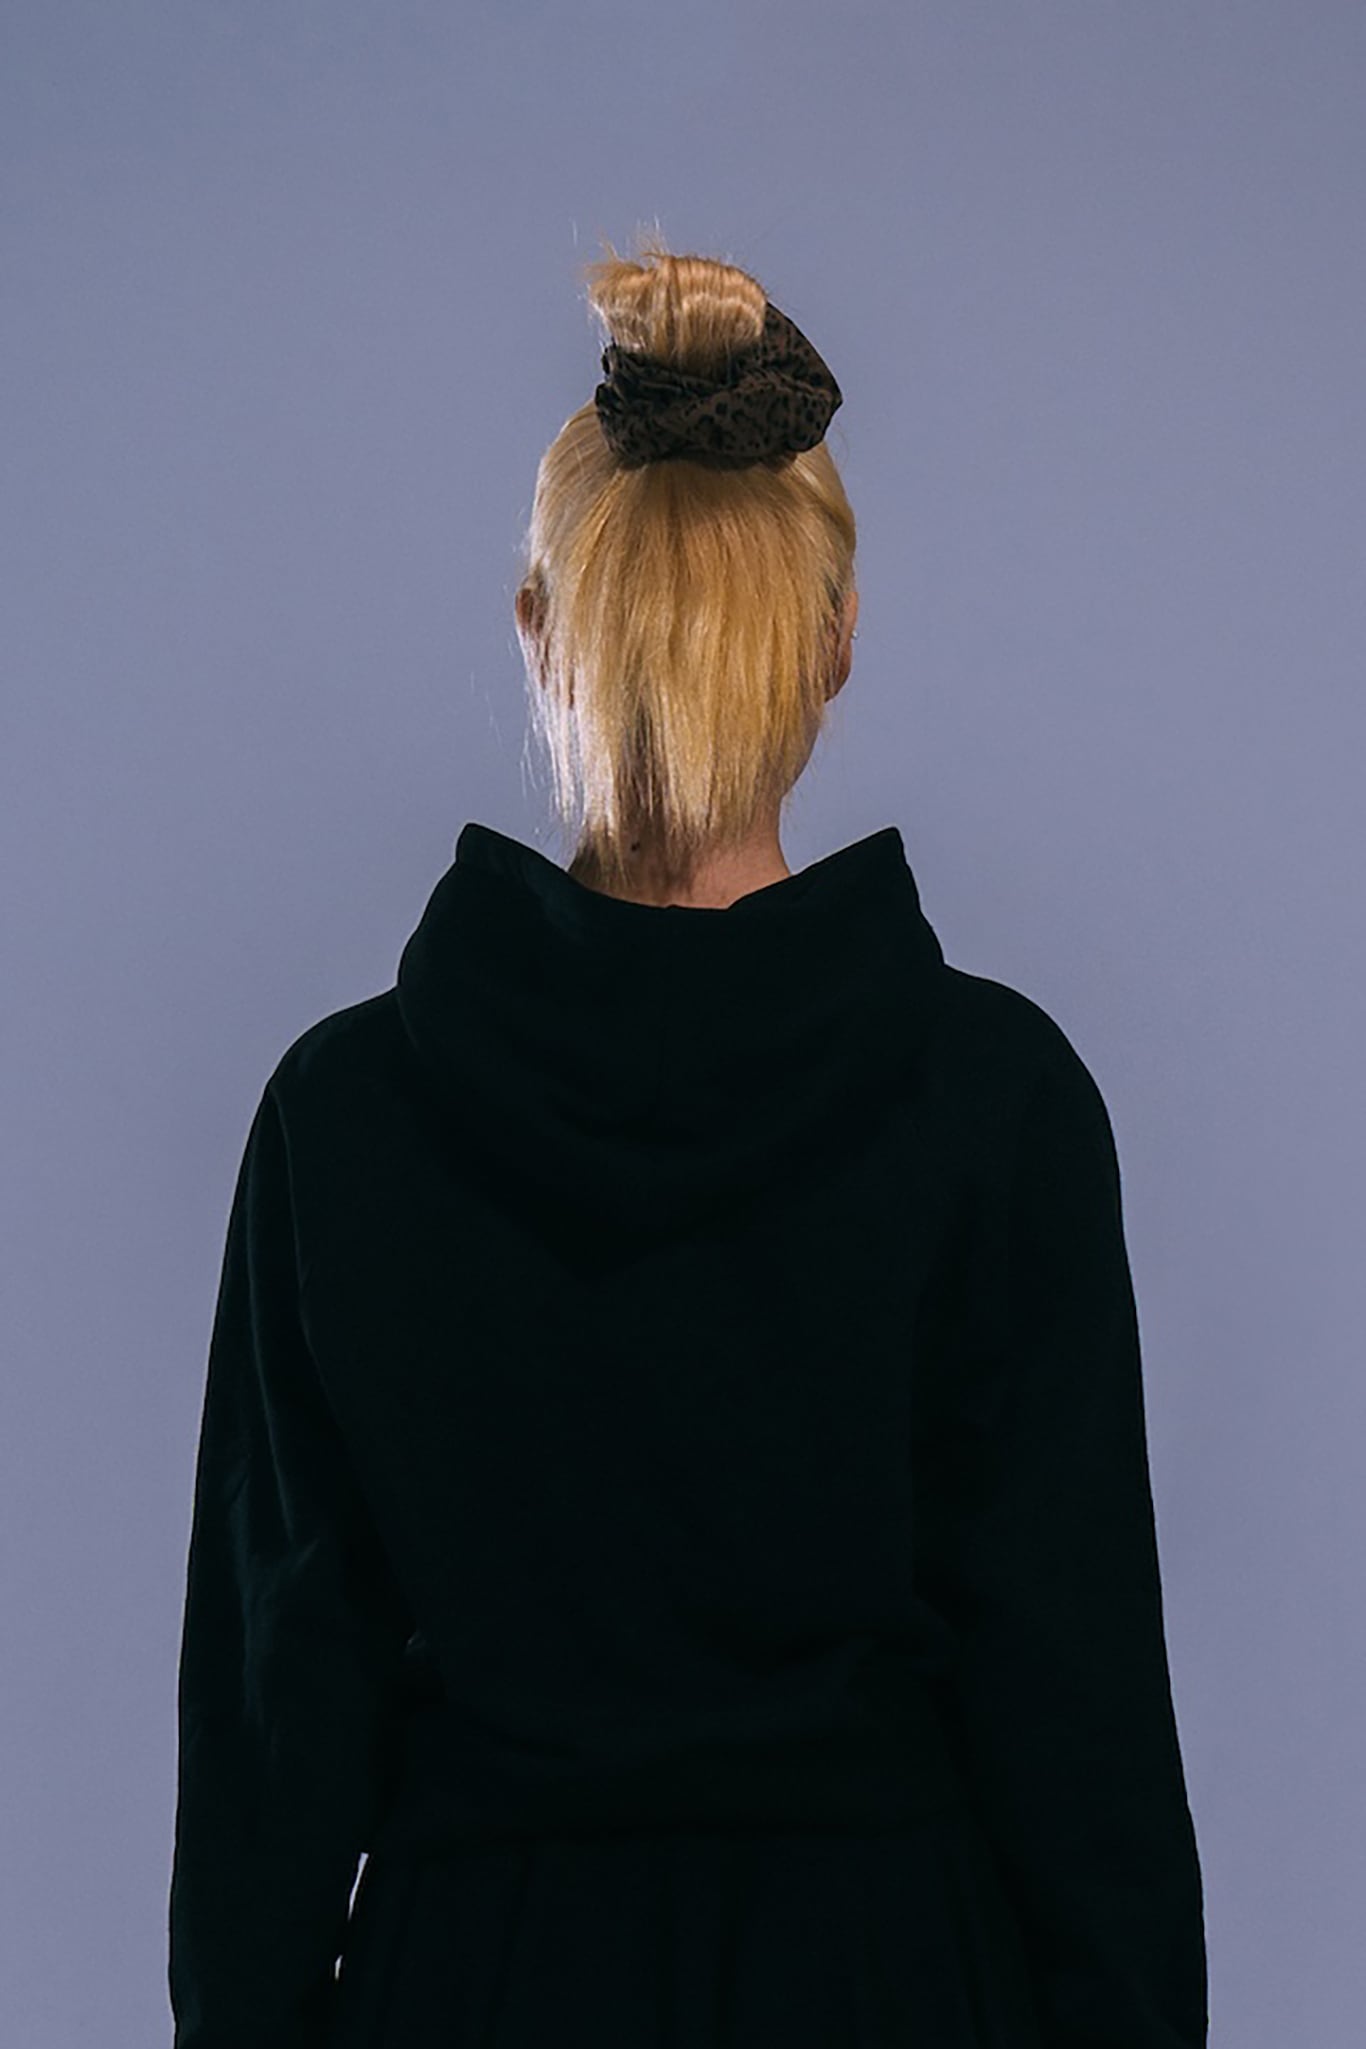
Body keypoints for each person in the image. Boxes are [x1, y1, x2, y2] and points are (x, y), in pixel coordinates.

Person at [168, 234, 1208, 2048]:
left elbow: (270, 1770)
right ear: (835, 639)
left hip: (467, 1988)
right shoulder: (1001, 1107)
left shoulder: (339, 1123)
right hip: (895, 1988)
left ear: (537, 627)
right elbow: (1083, 1734)